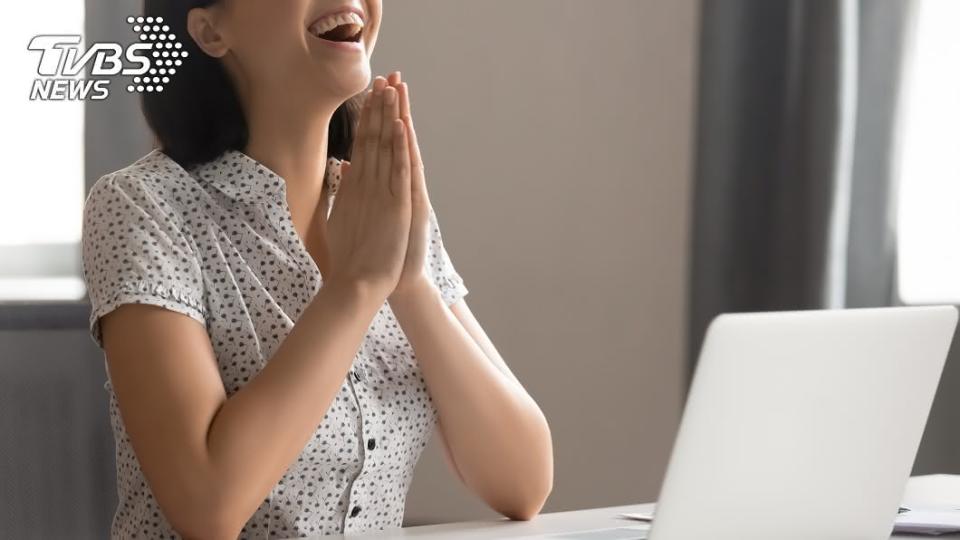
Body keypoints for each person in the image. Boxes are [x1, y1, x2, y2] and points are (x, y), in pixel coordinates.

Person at [80, 1, 553, 538]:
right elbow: (207, 505)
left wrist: (410, 283)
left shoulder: (380, 205)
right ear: (210, 30)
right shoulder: (141, 205)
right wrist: (356, 286)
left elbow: (524, 483)